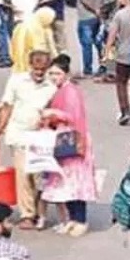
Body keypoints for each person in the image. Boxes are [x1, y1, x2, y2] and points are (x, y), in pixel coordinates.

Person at [0, 50, 58, 227]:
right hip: (18, 134)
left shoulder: (51, 87)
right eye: (36, 69)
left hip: (40, 137)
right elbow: (7, 106)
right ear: (30, 66)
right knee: (23, 174)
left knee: (38, 176)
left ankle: (37, 209)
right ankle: (27, 214)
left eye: (42, 70)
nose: (39, 73)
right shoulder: (16, 81)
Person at [41, 55, 97, 237]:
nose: (53, 77)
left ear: (66, 74)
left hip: (74, 139)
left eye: (57, 73)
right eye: (51, 73)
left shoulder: (70, 91)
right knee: (67, 183)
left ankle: (80, 219)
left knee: (77, 183)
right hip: (63, 138)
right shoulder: (59, 91)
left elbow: (74, 116)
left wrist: (54, 113)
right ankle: (72, 218)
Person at [10, 7, 57, 75]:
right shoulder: (34, 29)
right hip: (30, 62)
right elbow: (39, 49)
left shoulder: (39, 25)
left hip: (20, 62)